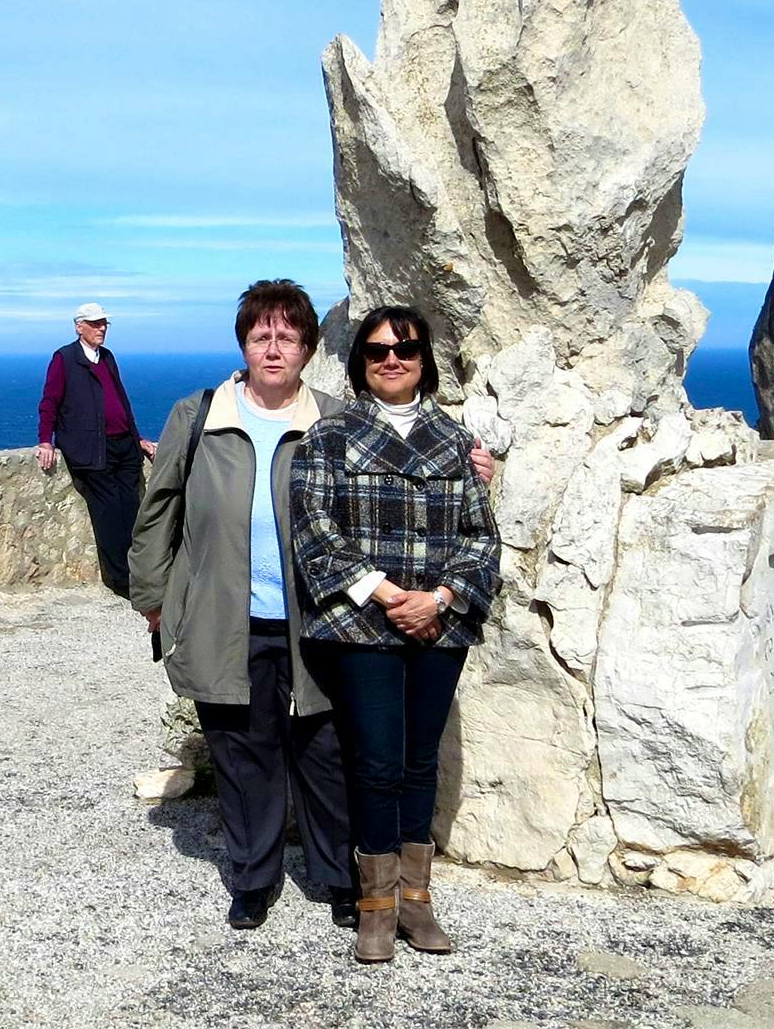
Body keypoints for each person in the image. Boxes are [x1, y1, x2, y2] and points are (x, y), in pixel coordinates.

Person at [128, 280, 498, 935]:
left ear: (307, 347)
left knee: (326, 753)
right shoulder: (199, 415)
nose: (274, 347)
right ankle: (252, 879)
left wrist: (472, 467)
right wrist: (155, 600)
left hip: (317, 617)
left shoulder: (331, 418)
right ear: (244, 342)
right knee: (243, 755)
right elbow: (159, 511)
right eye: (260, 334)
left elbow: (396, 467)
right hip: (223, 614)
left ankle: (340, 879)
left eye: (288, 335)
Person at [290, 305, 501, 964]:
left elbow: (481, 538)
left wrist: (437, 597)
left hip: (439, 622)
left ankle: (417, 902)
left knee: (418, 763)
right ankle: (375, 911)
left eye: (405, 349)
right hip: (363, 624)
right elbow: (315, 531)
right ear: (360, 360)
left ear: (423, 359)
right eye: (378, 349)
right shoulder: (330, 436)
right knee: (377, 762)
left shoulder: (458, 441)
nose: (391, 358)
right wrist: (388, 595)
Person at [36, 303, 156, 598]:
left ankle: (136, 575)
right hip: (91, 449)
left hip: (123, 446)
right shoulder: (64, 359)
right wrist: (45, 440)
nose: (101, 328)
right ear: (79, 327)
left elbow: (120, 400)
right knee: (108, 512)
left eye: (104, 323)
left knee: (130, 510)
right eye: (95, 323)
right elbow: (50, 401)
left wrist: (136, 436)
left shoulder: (107, 358)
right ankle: (121, 580)